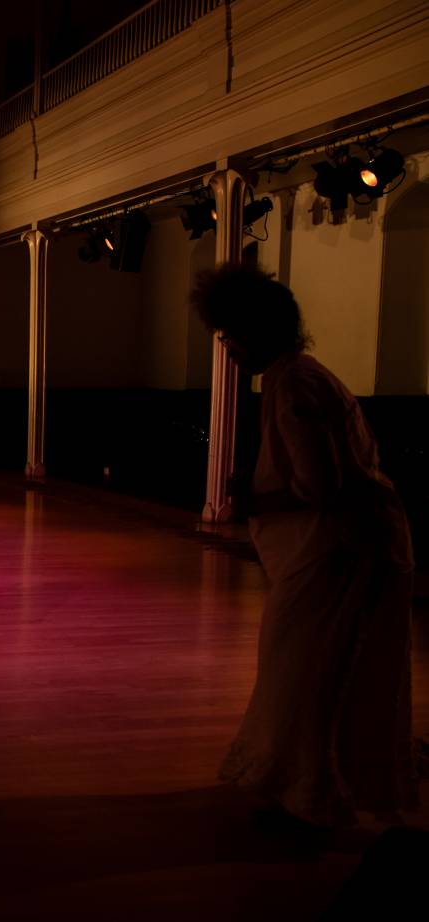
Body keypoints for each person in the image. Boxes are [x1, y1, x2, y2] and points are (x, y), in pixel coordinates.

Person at [194, 263, 416, 827]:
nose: (228, 347)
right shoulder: (304, 375)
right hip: (360, 543)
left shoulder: (292, 384)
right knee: (328, 667)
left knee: (308, 668)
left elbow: (322, 487)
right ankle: (312, 786)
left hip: (343, 551)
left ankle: (309, 793)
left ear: (253, 332)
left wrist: (252, 499)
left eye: (230, 335)